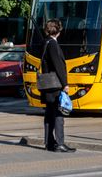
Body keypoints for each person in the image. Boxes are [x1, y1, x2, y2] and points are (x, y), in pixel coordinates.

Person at [41, 19, 76, 153]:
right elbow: (58, 66)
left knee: (49, 114)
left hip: (47, 84)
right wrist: (65, 84)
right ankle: (60, 143)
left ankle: (49, 143)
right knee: (59, 115)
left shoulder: (45, 42)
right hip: (55, 85)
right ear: (58, 31)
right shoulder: (53, 45)